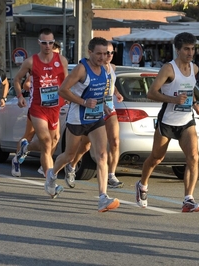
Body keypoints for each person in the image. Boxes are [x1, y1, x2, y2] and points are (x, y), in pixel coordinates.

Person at [46, 37, 120, 212]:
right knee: (69, 156)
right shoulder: (81, 69)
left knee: (102, 155)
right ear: (90, 52)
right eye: (99, 54)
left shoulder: (106, 70)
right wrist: (84, 102)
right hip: (77, 118)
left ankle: (103, 197)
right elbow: (62, 90)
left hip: (96, 118)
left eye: (105, 54)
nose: (103, 57)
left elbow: (100, 92)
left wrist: (105, 107)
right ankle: (52, 174)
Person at [135, 32, 199, 213]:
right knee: (156, 158)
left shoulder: (194, 69)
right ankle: (142, 185)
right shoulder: (168, 69)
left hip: (186, 121)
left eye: (193, 49)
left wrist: (195, 104)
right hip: (167, 121)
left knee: (194, 157)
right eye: (187, 49)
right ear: (178, 50)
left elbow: (189, 90)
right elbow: (151, 93)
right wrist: (173, 100)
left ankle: (188, 199)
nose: (190, 53)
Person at [11, 28, 68, 185]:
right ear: (39, 43)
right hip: (37, 107)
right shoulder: (31, 61)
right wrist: (20, 96)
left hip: (54, 107)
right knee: (46, 141)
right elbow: (17, 79)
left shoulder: (61, 60)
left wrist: (68, 96)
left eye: (50, 42)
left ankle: (26, 147)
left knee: (54, 139)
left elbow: (66, 82)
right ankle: (49, 180)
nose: (47, 46)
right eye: (44, 43)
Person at [64, 42, 124, 189]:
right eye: (104, 53)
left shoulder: (112, 68)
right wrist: (83, 101)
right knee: (85, 145)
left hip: (108, 107)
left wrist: (116, 93)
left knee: (115, 141)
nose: (107, 56)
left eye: (110, 53)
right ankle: (71, 166)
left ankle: (111, 175)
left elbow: (110, 84)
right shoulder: (91, 68)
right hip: (90, 110)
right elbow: (66, 89)